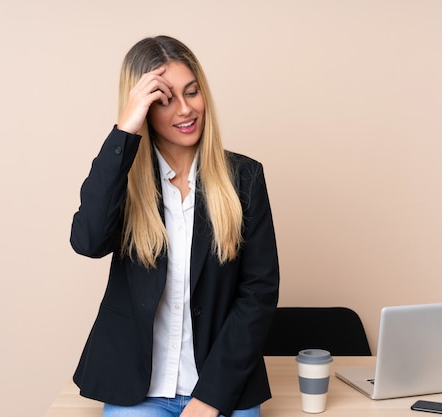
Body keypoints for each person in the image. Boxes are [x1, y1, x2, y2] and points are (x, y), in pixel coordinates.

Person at [70, 35, 280, 417]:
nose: (185, 110)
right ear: (144, 108)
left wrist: (210, 398)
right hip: (139, 392)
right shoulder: (124, 179)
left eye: (192, 92)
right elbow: (88, 239)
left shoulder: (244, 177)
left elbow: (259, 294)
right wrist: (124, 131)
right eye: (165, 100)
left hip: (222, 388)